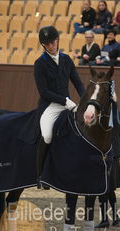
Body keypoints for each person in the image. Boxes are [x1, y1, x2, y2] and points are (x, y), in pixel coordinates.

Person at [34, 26, 85, 179]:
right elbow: (43, 92)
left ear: (57, 40)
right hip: (50, 106)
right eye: (47, 44)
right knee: (48, 135)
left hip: (68, 104)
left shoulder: (67, 60)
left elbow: (78, 84)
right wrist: (64, 100)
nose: (51, 46)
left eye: (53, 42)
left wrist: (85, 100)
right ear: (43, 45)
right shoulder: (40, 63)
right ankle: (40, 175)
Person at [95, 110, 120, 228]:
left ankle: (105, 220)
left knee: (103, 187)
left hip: (104, 152)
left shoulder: (99, 114)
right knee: (110, 187)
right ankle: (115, 217)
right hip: (115, 151)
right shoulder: (119, 114)